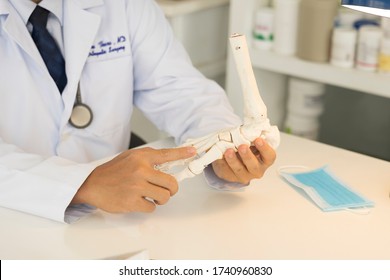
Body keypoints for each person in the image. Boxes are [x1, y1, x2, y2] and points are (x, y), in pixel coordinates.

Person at [0, 0, 276, 223]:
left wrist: (222, 146)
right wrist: (81, 184)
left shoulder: (126, 6)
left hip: (112, 219)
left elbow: (179, 90)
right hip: (11, 216)